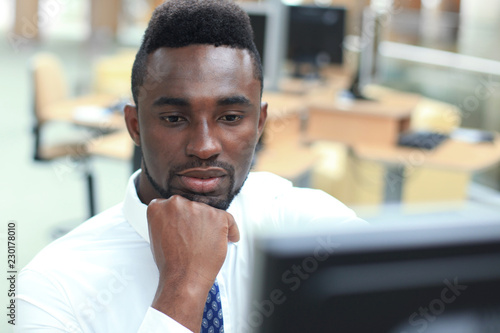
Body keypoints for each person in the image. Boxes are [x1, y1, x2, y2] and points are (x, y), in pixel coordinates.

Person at [16, 0, 366, 332]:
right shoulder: (53, 287)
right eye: (173, 118)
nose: (204, 147)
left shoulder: (301, 226)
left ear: (260, 124)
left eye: (230, 117)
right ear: (135, 125)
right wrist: (183, 287)